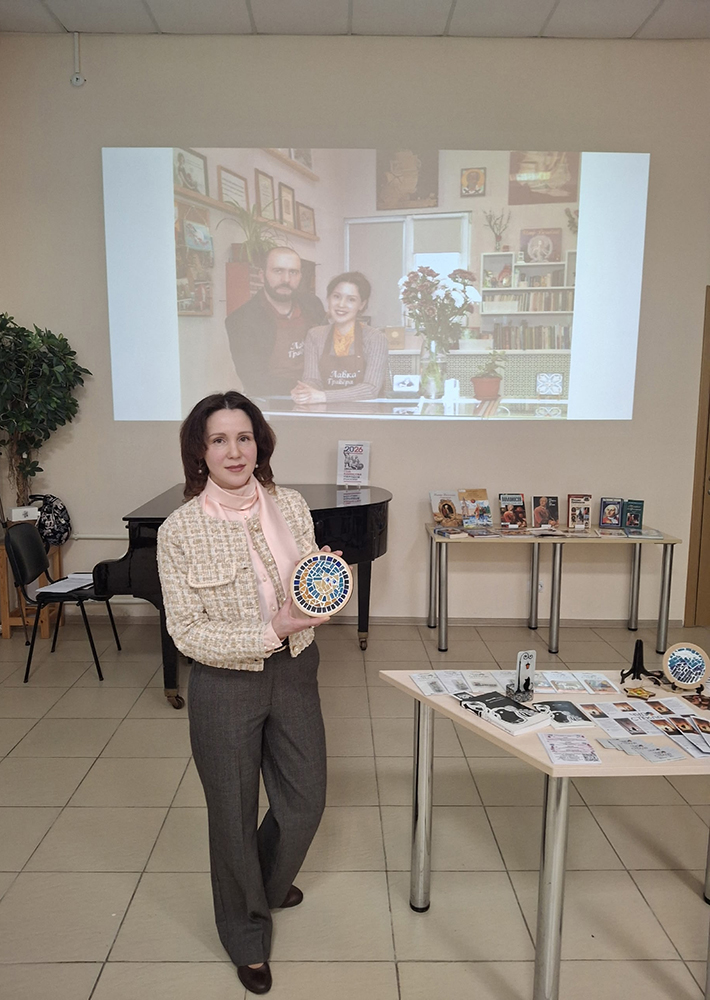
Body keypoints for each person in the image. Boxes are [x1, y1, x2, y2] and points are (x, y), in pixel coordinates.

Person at [157, 391, 337, 996]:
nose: (234, 451)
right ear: (199, 451)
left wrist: (324, 579)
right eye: (219, 440)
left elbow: (307, 582)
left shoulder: (292, 505)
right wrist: (268, 630)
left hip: (296, 670)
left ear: (259, 444)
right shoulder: (180, 530)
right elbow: (186, 631)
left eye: (244, 437)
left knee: (305, 799)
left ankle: (265, 883)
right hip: (224, 682)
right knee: (232, 816)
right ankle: (245, 933)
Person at [225, 247, 325, 397]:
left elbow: (328, 352)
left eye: (293, 272)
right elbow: (253, 380)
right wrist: (304, 391)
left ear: (300, 276)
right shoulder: (241, 320)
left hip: (318, 396)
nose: (286, 279)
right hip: (273, 402)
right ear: (262, 275)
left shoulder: (313, 305)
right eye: (278, 271)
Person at [291, 271, 388, 405]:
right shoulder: (314, 335)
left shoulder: (376, 338)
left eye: (351, 299)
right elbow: (313, 380)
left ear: (362, 304)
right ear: (328, 299)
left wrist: (323, 396)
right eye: (336, 296)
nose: (341, 304)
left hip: (365, 414)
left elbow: (371, 389)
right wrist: (304, 391)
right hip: (323, 413)